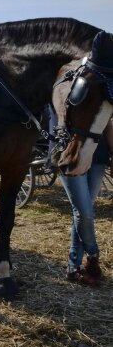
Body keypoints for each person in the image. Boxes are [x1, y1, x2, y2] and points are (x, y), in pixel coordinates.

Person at [58, 120, 112, 286]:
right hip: (70, 155)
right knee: (84, 213)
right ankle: (93, 255)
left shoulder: (105, 93)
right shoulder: (65, 94)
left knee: (81, 213)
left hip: (98, 157)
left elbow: (108, 123)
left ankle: (73, 268)